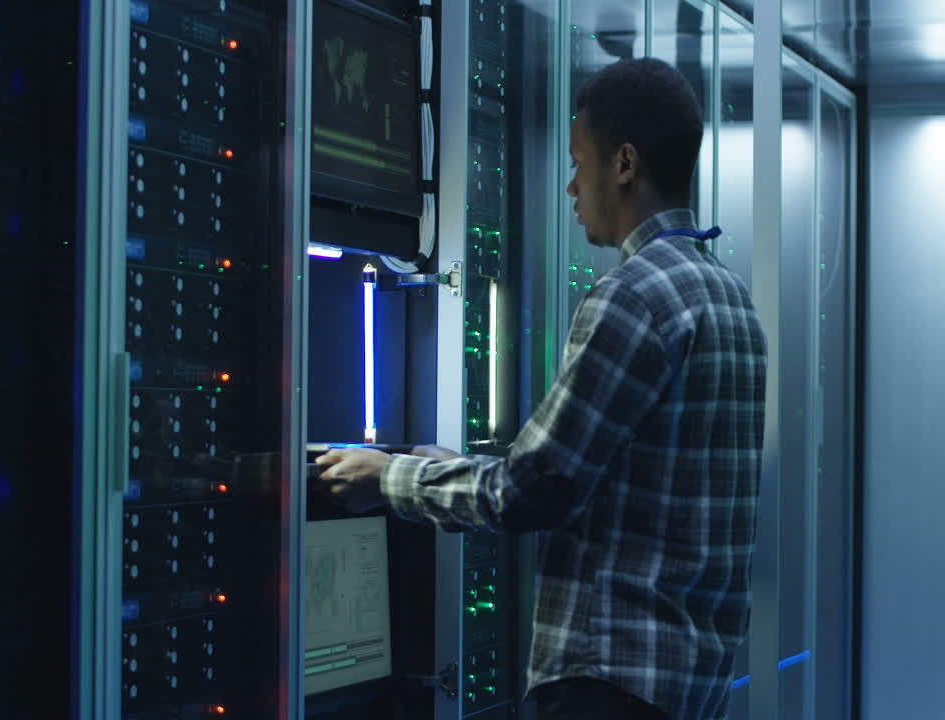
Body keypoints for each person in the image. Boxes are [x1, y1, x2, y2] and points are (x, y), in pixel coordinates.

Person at [316, 57, 767, 720]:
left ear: (624, 165)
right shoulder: (729, 298)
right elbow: (620, 489)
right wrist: (454, 469)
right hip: (684, 688)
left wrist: (388, 478)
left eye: (579, 162)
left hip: (608, 684)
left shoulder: (634, 297)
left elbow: (532, 493)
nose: (569, 187)